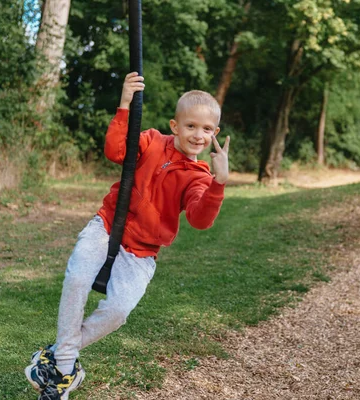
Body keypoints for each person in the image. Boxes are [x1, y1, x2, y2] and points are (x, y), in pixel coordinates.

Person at [24, 72, 230, 400]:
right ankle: (65, 369)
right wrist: (124, 104)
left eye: (206, 129)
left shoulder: (198, 177)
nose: (197, 134)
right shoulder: (150, 140)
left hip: (143, 252)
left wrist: (218, 182)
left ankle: (59, 356)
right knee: (77, 278)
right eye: (190, 126)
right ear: (175, 126)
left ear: (215, 134)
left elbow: (200, 219)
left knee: (118, 311)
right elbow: (115, 151)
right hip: (107, 225)